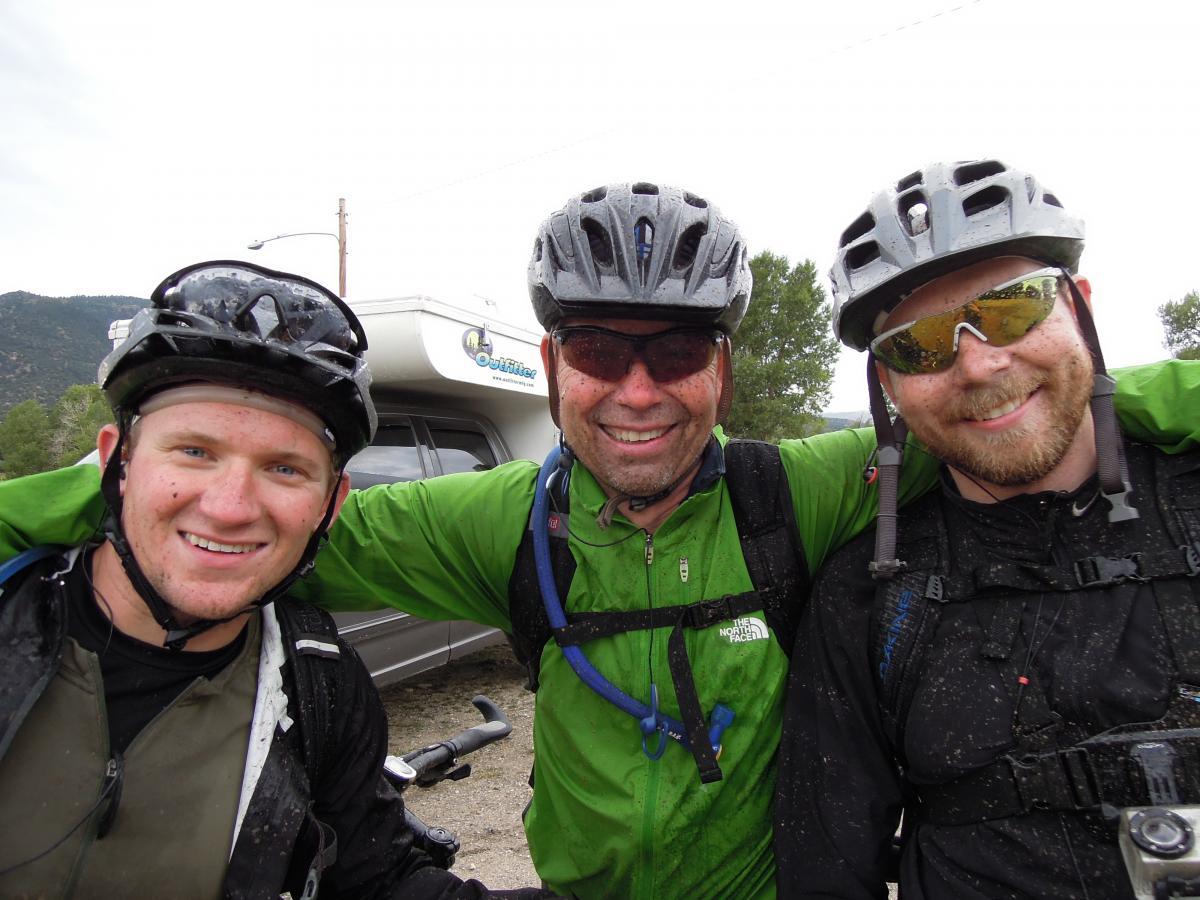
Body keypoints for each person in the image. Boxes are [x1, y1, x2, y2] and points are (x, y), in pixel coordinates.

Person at [0, 186, 1195, 899]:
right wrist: (98, 493)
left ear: (724, 368)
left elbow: (1006, 400)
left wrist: (1130, 390)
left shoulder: (816, 487)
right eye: (599, 352)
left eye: (675, 354)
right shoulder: (495, 520)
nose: (637, 390)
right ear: (552, 364)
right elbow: (260, 507)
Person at [0, 261, 544, 899]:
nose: (230, 507)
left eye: (284, 469)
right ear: (116, 463)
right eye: (194, 452)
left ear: (330, 505)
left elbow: (377, 882)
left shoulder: (317, 687)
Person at [774, 159, 1200, 899]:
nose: (977, 362)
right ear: (888, 386)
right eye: (920, 345)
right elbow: (826, 870)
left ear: (1082, 308)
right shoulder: (869, 597)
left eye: (1012, 306)